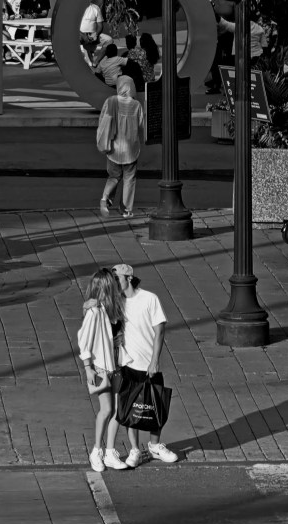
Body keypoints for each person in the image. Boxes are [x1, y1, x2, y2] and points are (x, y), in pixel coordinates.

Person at [109, 264, 178, 466]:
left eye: (117, 279)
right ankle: (134, 449)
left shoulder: (149, 299)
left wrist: (154, 360)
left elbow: (160, 331)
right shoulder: (118, 302)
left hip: (150, 365)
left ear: (129, 278)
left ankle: (155, 446)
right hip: (129, 365)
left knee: (156, 405)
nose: (114, 283)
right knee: (132, 409)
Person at [78, 268, 132, 472]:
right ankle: (97, 451)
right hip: (102, 367)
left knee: (117, 411)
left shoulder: (115, 308)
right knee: (107, 410)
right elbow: (84, 342)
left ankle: (110, 451)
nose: (118, 286)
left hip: (117, 365)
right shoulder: (95, 311)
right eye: (114, 283)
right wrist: (88, 368)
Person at [96, 75, 144, 220]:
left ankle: (105, 198)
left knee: (114, 176)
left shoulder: (110, 101)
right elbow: (142, 124)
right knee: (129, 179)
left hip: (113, 148)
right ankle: (126, 210)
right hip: (131, 150)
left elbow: (102, 120)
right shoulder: (136, 105)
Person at [79, 0, 103, 66]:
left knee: (109, 40)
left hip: (93, 34)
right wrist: (82, 34)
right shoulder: (78, 9)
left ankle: (95, 60)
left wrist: (96, 34)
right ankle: (89, 58)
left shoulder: (95, 8)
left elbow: (100, 25)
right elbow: (73, 25)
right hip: (80, 34)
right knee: (85, 40)